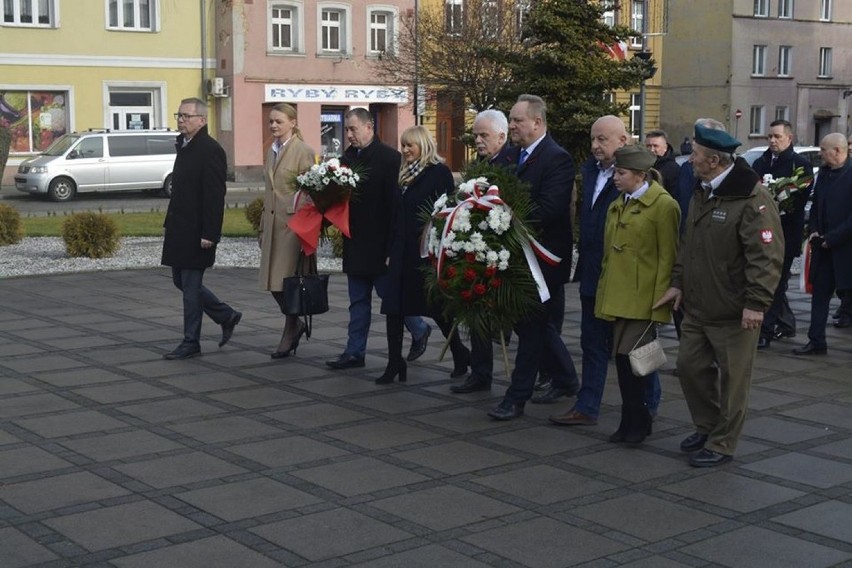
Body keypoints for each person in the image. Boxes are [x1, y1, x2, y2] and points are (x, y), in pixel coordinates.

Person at [654, 122, 783, 467]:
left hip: (734, 310)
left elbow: (766, 256)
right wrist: (678, 282)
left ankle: (723, 441)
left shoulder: (752, 197)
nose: (689, 159)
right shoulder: (703, 189)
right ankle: (708, 426)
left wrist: (756, 304)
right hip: (697, 306)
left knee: (734, 382)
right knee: (689, 367)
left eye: (694, 154)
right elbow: (689, 243)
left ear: (713, 160)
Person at [550, 116, 661, 427]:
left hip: (629, 281)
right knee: (592, 343)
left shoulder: (640, 180)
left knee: (639, 345)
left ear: (623, 141)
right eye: (593, 139)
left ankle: (650, 401)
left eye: (603, 140)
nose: (595, 146)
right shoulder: (589, 171)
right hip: (593, 273)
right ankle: (587, 406)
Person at [487, 94, 579, 420]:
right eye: (511, 120)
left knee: (531, 326)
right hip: (514, 256)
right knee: (532, 326)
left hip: (544, 259)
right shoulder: (510, 156)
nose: (511, 125)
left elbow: (550, 210)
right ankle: (566, 378)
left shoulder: (557, 158)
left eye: (517, 120)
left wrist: (507, 217)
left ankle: (517, 396)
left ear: (537, 123)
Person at [325, 108, 423, 369]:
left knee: (390, 296)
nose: (349, 135)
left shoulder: (390, 159)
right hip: (355, 241)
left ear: (370, 127)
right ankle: (354, 351)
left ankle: (420, 328)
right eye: (346, 129)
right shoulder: (344, 160)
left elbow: (396, 206)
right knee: (357, 301)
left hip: (380, 243)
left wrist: (394, 245)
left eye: (353, 129)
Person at [596, 145, 680, 444]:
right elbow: (610, 256)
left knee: (638, 365)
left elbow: (667, 258)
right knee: (622, 363)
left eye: (621, 173)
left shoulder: (663, 206)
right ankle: (630, 422)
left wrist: (660, 306)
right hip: (618, 297)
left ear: (640, 175)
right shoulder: (619, 203)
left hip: (644, 299)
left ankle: (640, 422)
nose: (615, 178)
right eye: (616, 172)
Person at [378, 126, 470, 384]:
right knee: (393, 307)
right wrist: (388, 251)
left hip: (423, 251)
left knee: (437, 307)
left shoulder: (438, 173)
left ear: (423, 145)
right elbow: (395, 215)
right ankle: (394, 363)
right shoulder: (403, 174)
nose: (405, 150)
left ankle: (460, 353)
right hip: (400, 250)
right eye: (403, 145)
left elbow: (445, 211)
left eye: (410, 145)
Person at [161, 97, 241, 360]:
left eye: (186, 116)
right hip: (179, 229)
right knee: (179, 281)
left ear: (202, 120)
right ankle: (226, 315)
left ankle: (190, 341)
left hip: (198, 233)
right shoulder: (184, 145)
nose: (181, 120)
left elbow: (214, 196)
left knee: (191, 287)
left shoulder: (210, 149)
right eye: (179, 115)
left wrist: (210, 233)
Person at [451, 109, 512, 394]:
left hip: (502, 252)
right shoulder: (479, 163)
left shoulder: (510, 163)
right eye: (475, 135)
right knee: (477, 312)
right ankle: (480, 372)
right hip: (476, 249)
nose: (477, 140)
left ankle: (556, 374)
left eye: (483, 135)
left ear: (502, 136)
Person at [257, 103, 316, 358]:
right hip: (272, 224)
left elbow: (312, 191)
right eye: (271, 121)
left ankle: (290, 330)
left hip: (293, 228)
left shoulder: (303, 151)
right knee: (272, 283)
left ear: (293, 122)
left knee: (286, 282)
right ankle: (295, 324)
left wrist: (305, 227)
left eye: (278, 121)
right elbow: (268, 191)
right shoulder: (270, 151)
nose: (273, 126)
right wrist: (261, 226)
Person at [751, 120, 813, 349]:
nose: (772, 140)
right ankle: (785, 322)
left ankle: (765, 331)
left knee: (776, 284)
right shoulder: (761, 162)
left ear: (789, 138)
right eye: (769, 136)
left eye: (777, 136)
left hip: (785, 233)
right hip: (760, 233)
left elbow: (798, 199)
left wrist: (778, 197)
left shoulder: (800, 165)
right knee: (765, 281)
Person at [793, 132, 852, 355]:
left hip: (846, 248)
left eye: (823, 149)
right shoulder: (824, 174)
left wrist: (833, 238)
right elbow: (816, 204)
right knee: (819, 296)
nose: (820, 153)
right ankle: (816, 341)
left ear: (838, 151)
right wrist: (815, 230)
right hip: (823, 248)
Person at [644, 129, 681, 196]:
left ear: (665, 147)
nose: (651, 150)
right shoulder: (641, 165)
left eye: (655, 146)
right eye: (648, 146)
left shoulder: (673, 169)